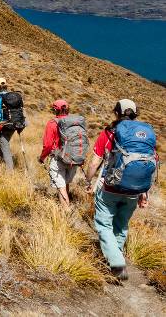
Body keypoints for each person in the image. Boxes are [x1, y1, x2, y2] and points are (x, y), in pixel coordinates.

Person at [85, 99, 157, 281]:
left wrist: (88, 180)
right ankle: (114, 259)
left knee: (103, 224)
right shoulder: (146, 136)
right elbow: (147, 165)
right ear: (135, 113)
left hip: (110, 187)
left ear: (116, 113)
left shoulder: (109, 133)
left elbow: (95, 162)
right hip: (135, 190)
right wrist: (144, 194)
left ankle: (116, 264)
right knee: (121, 225)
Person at [38, 100, 80, 207]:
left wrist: (42, 158)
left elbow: (47, 145)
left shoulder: (52, 123)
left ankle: (66, 215)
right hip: (73, 158)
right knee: (65, 183)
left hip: (58, 159)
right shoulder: (75, 122)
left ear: (55, 110)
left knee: (61, 187)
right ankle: (67, 204)